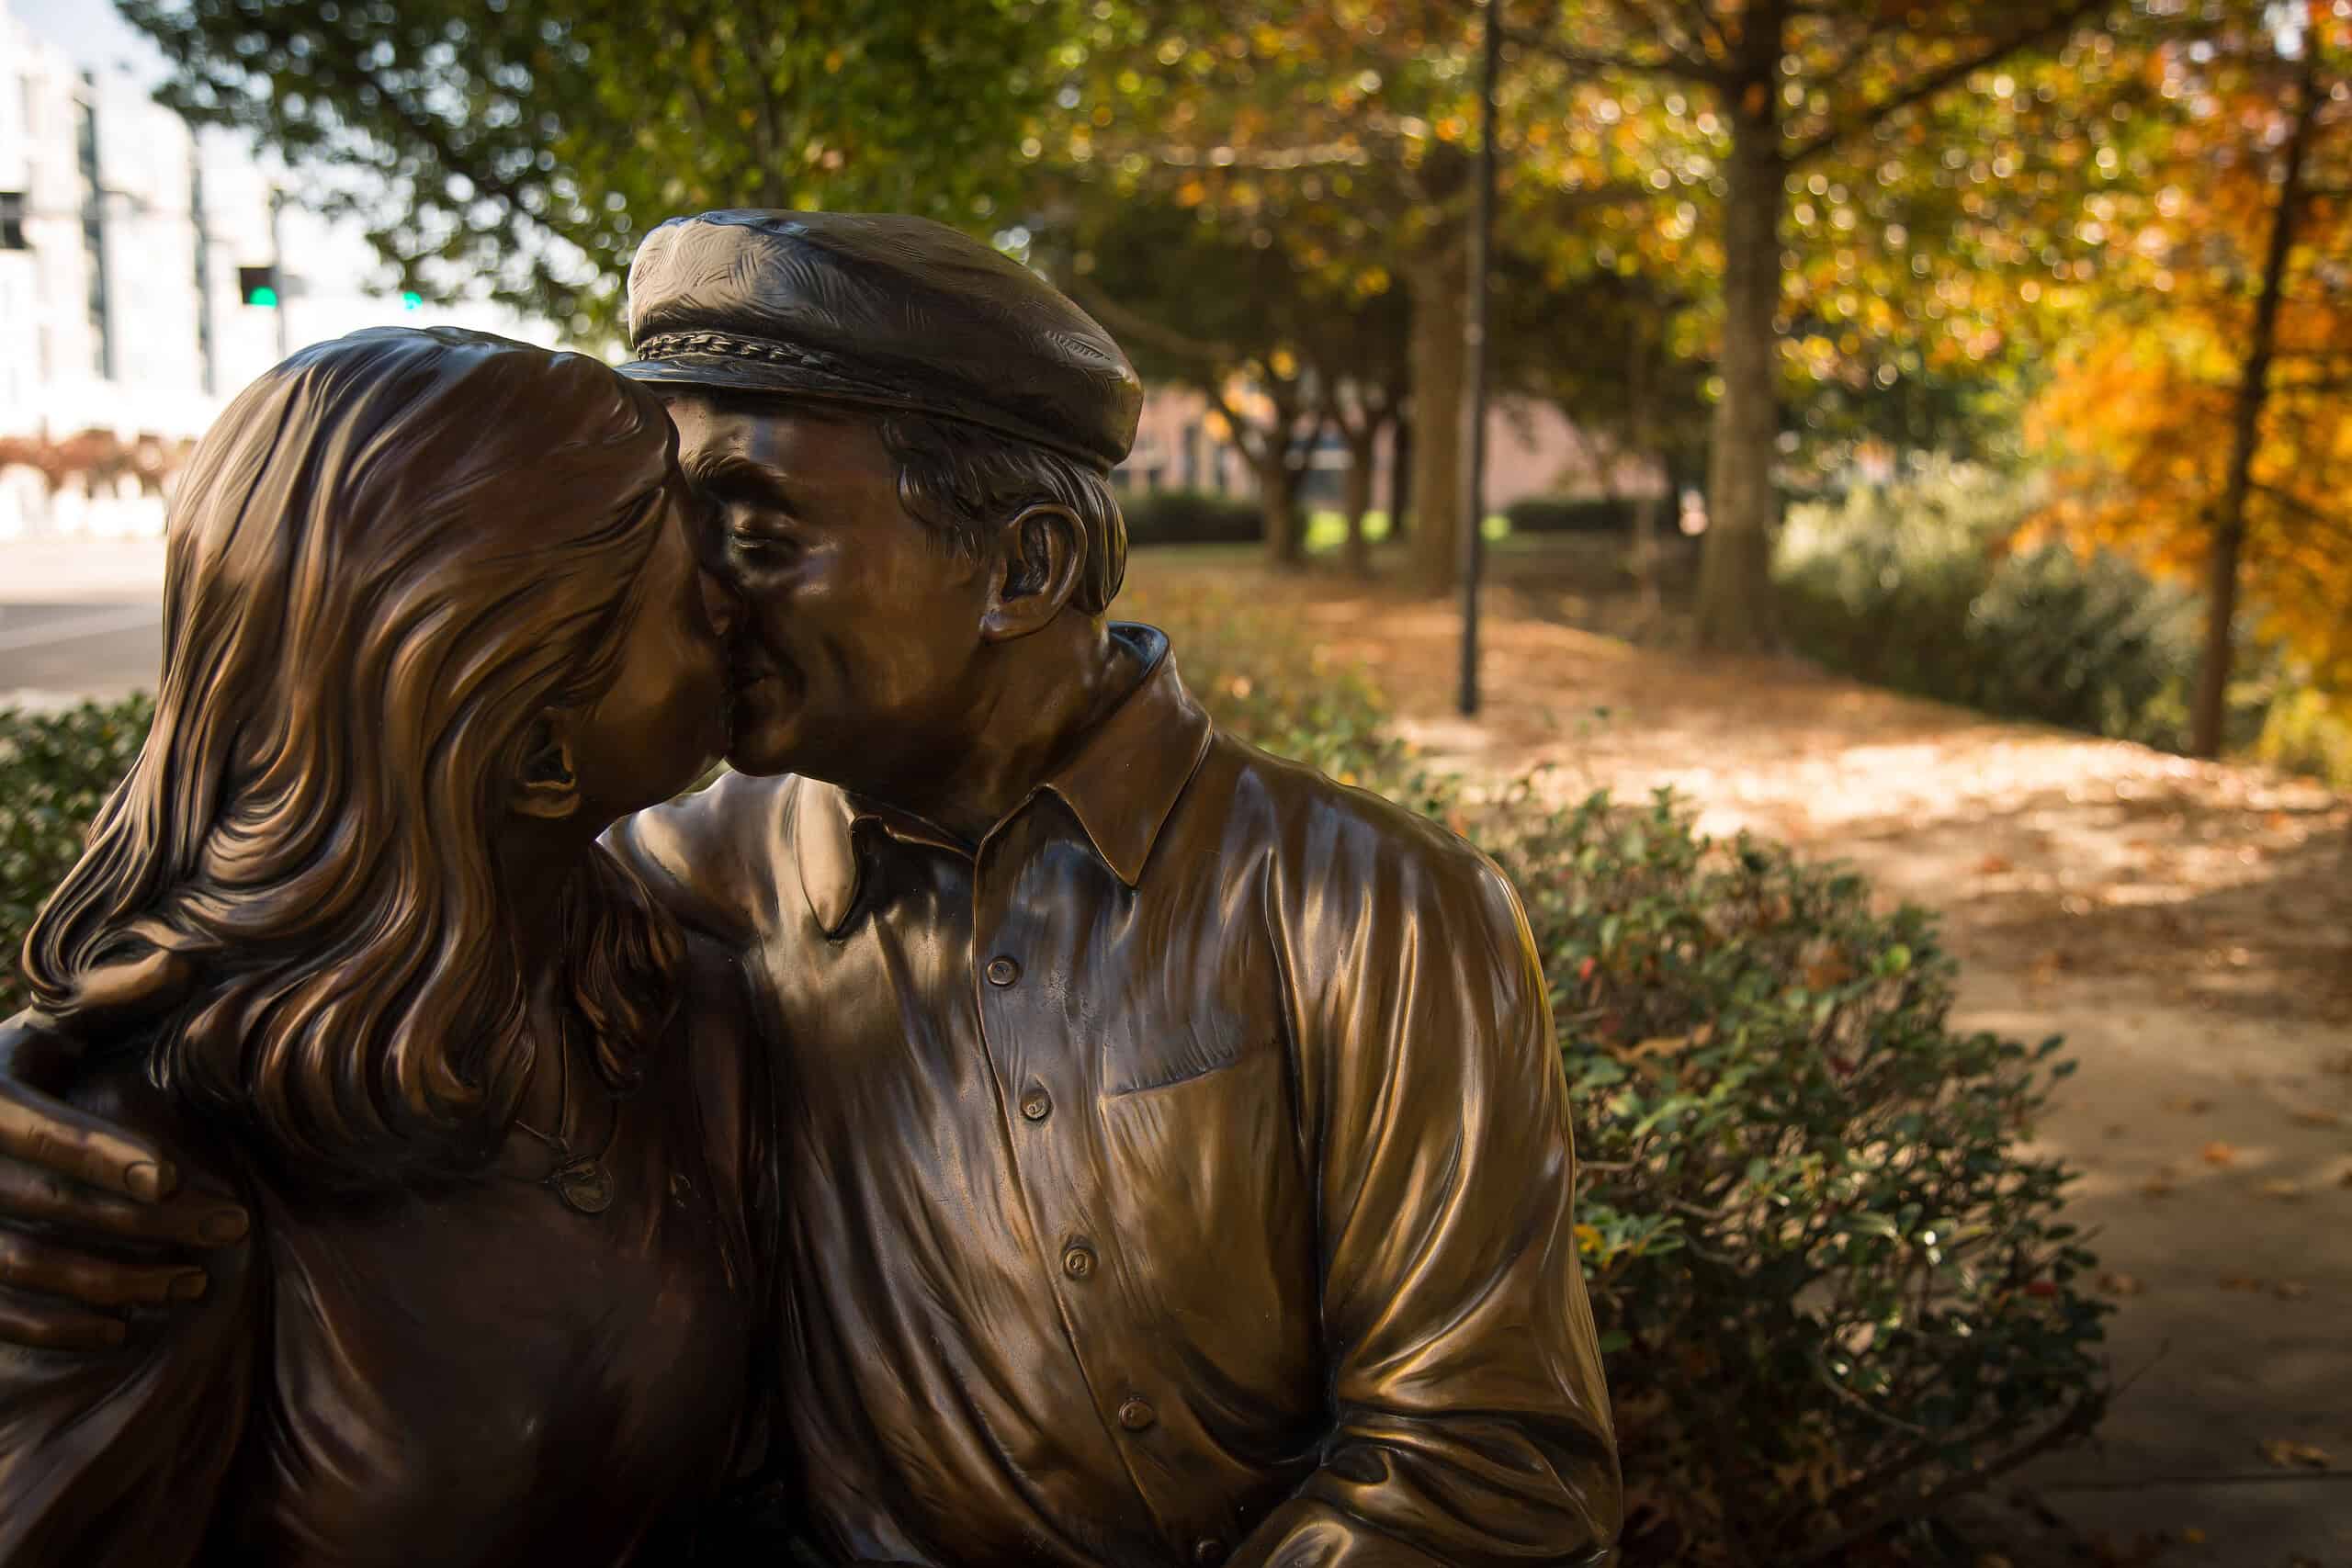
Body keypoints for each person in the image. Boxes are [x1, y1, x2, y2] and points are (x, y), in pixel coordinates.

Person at [0, 212, 1623, 1566]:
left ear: (1024, 570)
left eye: (756, 532)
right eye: (677, 533)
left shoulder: (1373, 916)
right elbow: (314, 928)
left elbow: (1486, 1463)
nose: (698, 595)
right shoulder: (682, 892)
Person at [0, 326, 775, 1567]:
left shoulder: (688, 1017)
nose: (737, 605)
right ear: (529, 742)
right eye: (684, 596)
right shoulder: (122, 1175)